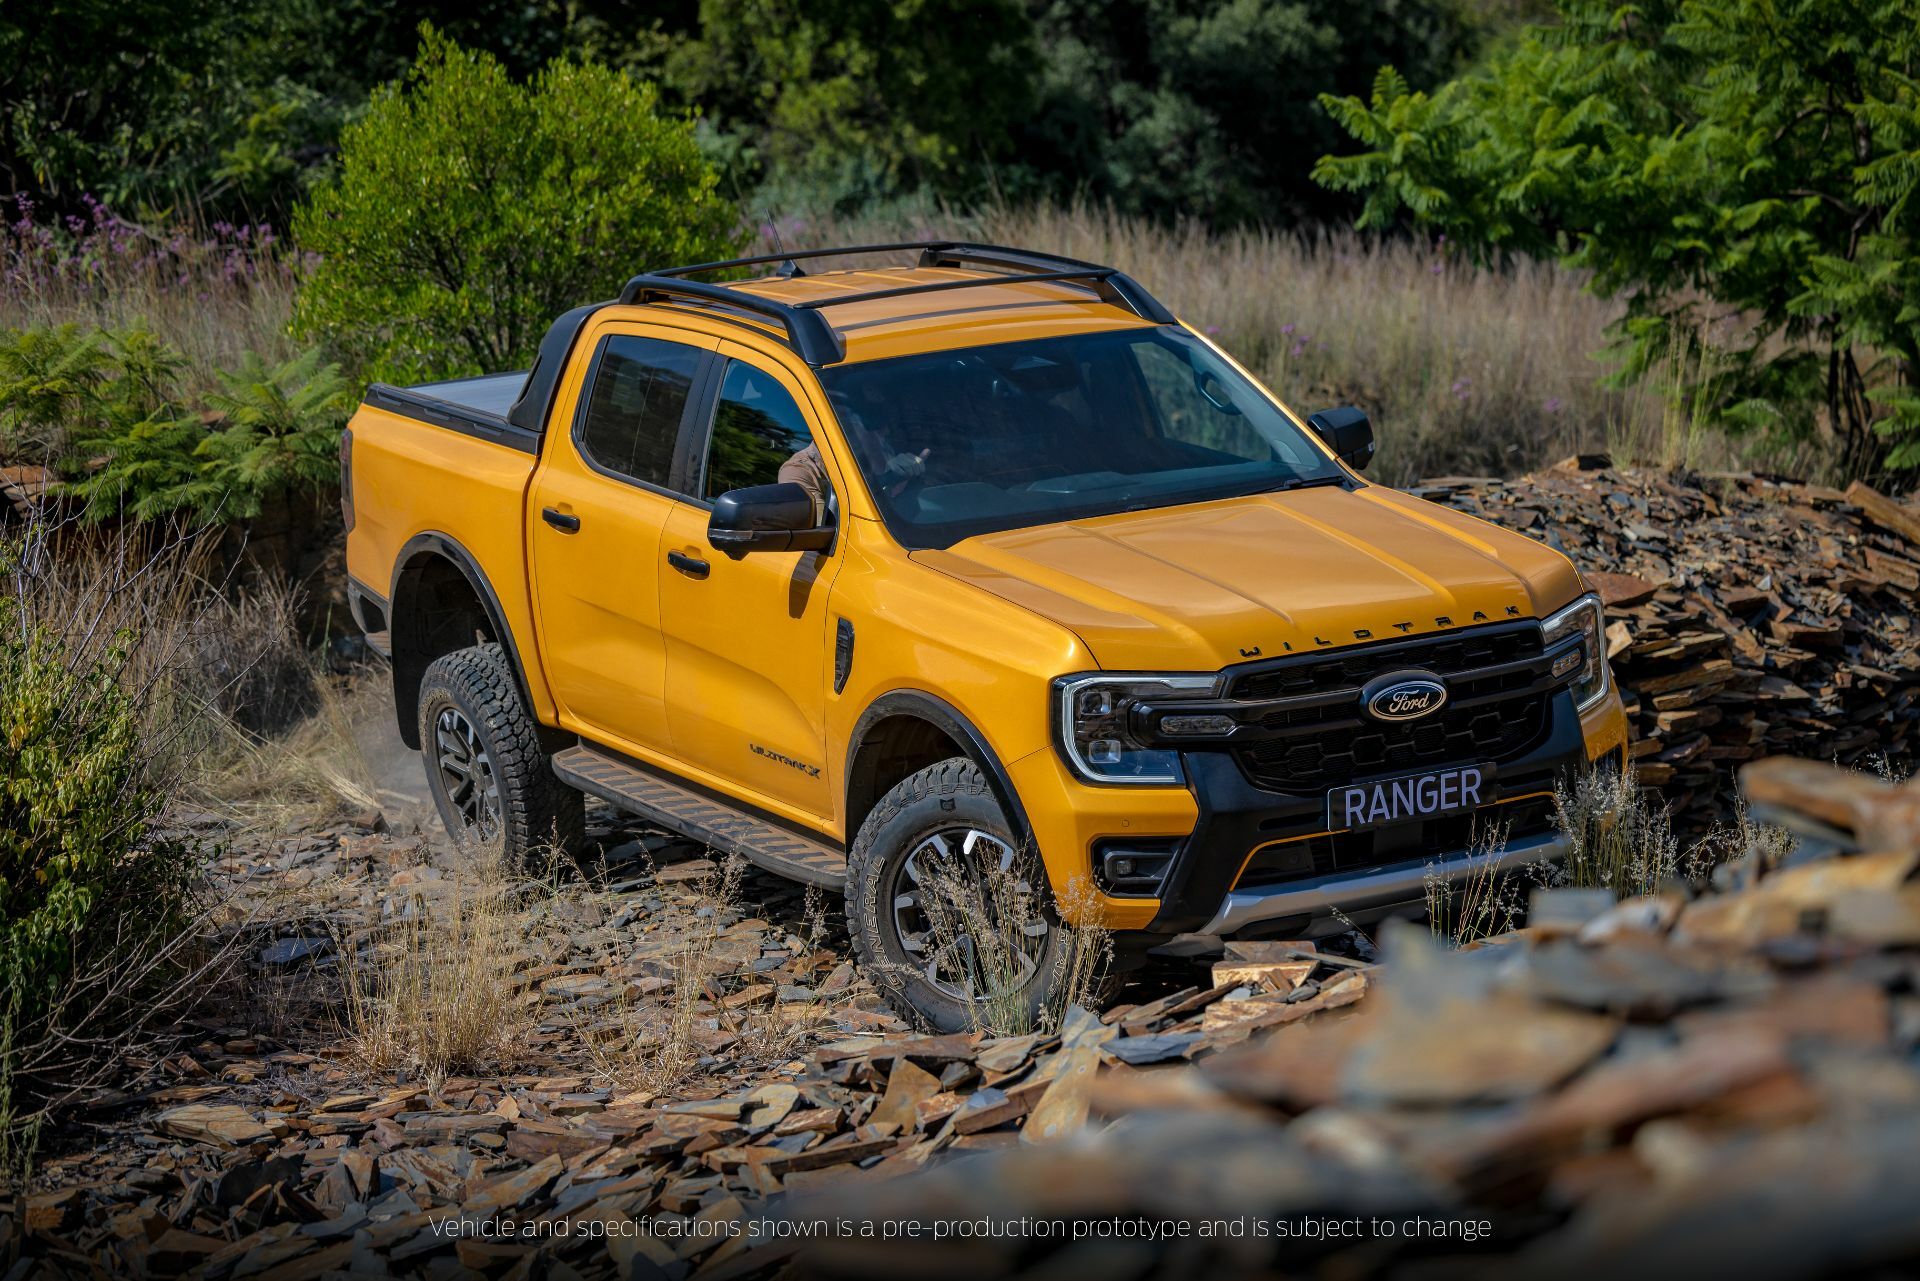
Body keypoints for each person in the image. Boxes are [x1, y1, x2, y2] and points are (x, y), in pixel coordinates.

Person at [779, 413, 928, 522]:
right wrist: (880, 481)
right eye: (849, 426)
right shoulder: (799, 471)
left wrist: (908, 483)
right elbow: (827, 532)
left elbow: (912, 516)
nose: (882, 433)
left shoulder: (880, 453)